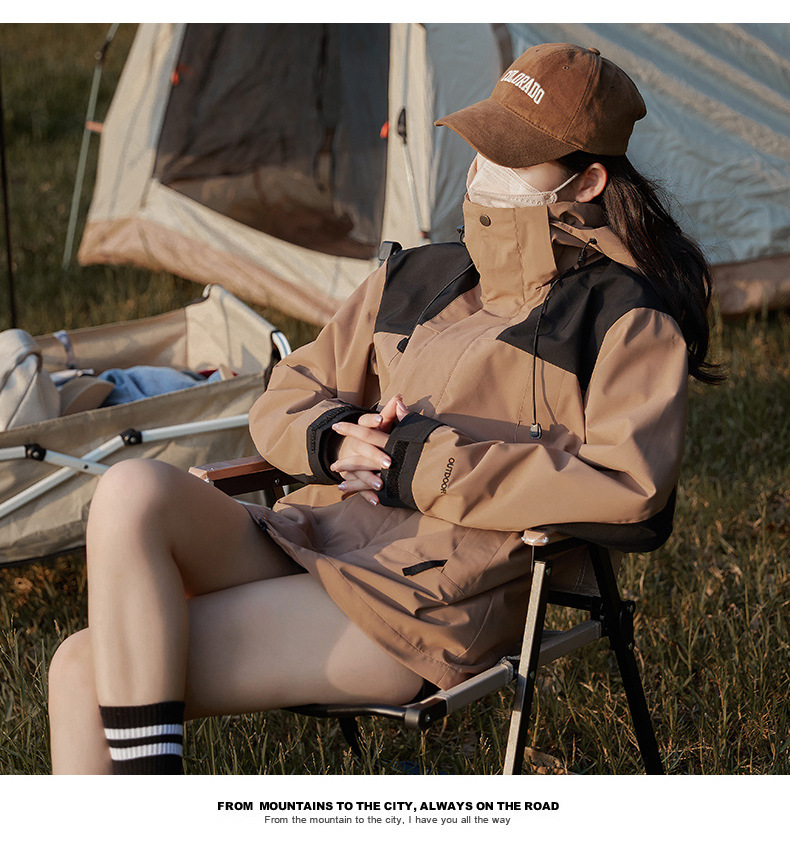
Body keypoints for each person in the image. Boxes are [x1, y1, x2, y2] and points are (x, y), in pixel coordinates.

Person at [47, 43, 720, 774]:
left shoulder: (624, 317)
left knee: (81, 671)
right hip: (318, 536)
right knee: (130, 488)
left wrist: (417, 462)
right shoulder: (418, 275)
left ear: (587, 181)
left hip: (422, 599)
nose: (485, 165)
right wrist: (335, 439)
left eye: (513, 154)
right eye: (485, 141)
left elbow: (630, 491)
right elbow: (288, 389)